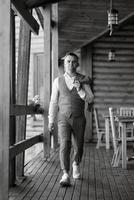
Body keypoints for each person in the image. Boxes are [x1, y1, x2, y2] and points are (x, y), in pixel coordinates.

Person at [48, 52, 94, 186]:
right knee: (64, 143)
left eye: (73, 62)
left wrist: (80, 89)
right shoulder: (58, 81)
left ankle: (76, 163)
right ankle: (65, 174)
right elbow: (53, 102)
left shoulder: (83, 79)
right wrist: (51, 120)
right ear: (64, 63)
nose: (70, 64)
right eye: (68, 61)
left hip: (79, 118)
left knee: (78, 145)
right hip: (63, 117)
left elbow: (90, 98)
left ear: (77, 64)